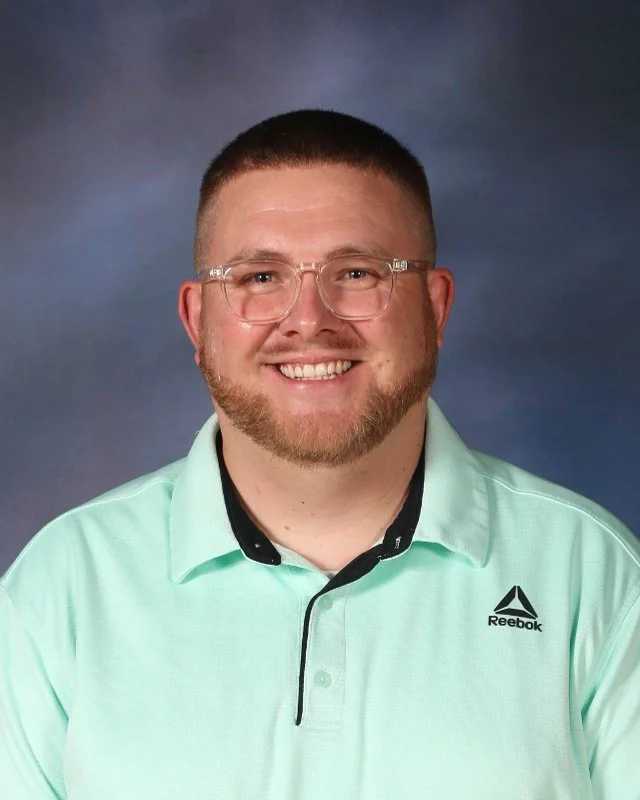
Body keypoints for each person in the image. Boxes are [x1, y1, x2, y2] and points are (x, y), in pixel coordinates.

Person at [1, 110, 638, 800]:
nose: (309, 320)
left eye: (358, 272)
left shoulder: (591, 575)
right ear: (197, 320)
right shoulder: (61, 588)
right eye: (259, 278)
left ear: (436, 307)